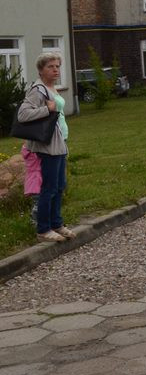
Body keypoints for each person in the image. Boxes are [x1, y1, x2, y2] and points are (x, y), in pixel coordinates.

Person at [17, 52, 74, 243]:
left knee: (59, 186)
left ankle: (56, 223)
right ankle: (43, 228)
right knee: (48, 188)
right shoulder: (38, 89)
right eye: (51, 66)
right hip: (46, 146)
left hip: (59, 144)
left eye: (57, 66)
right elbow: (23, 115)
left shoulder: (51, 88)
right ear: (41, 70)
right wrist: (46, 109)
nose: (56, 69)